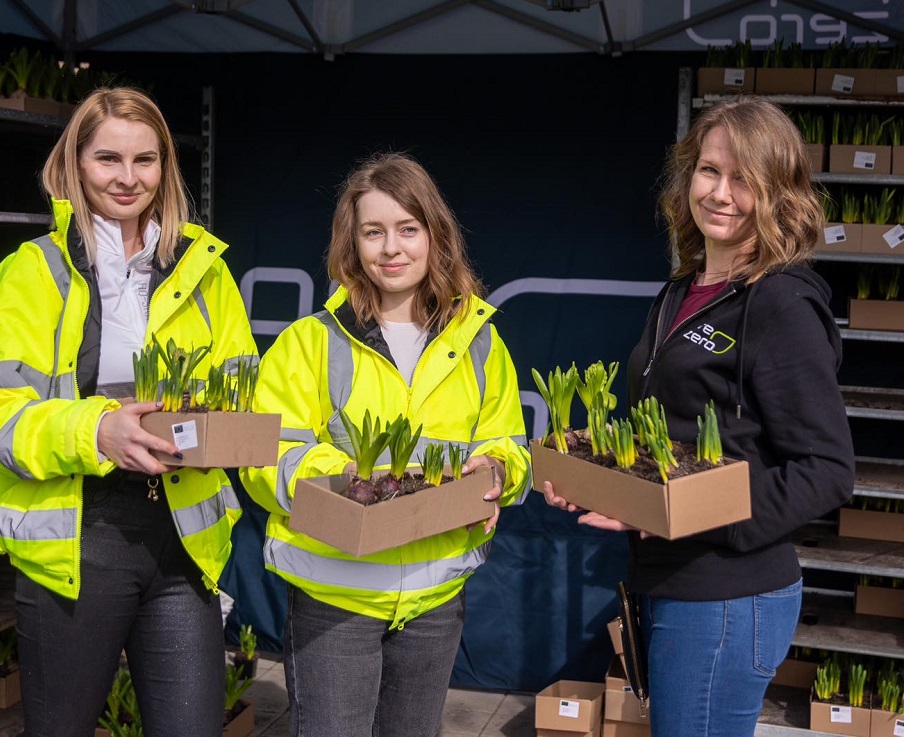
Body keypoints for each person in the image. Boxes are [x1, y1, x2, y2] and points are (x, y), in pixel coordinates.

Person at [542, 97, 855, 737]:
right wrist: (593, 477)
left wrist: (689, 514)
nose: (720, 193)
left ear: (779, 194)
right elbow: (675, 438)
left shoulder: (780, 307)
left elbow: (826, 470)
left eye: (744, 179)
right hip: (669, 581)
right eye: (708, 170)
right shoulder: (680, 291)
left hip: (729, 594)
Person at [0, 87, 257, 737]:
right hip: (78, 540)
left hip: (181, 543)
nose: (128, 178)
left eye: (145, 160)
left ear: (165, 168)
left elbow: (241, 399)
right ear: (75, 162)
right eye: (108, 159)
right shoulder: (31, 274)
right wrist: (94, 428)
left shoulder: (206, 273)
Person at [240, 152, 531, 737]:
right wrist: (349, 477)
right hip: (334, 598)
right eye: (373, 232)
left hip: (434, 601)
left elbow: (507, 439)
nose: (391, 248)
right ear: (353, 244)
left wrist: (498, 470)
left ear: (435, 237)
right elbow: (263, 452)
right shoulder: (310, 342)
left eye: (407, 229)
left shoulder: (479, 343)